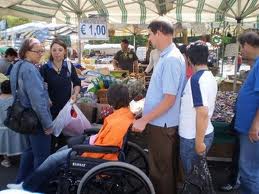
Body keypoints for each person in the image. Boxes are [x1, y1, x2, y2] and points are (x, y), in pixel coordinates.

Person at [7, 84, 134, 193]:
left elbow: (107, 148)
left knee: (53, 159)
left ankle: (26, 187)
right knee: (59, 153)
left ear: (114, 98)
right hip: (94, 144)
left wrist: (82, 153)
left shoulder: (119, 121)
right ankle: (37, 183)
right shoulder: (124, 113)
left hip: (94, 151)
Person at [132, 19, 186, 194]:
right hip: (161, 123)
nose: (149, 39)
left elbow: (169, 100)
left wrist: (144, 119)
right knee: (163, 169)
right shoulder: (166, 56)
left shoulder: (170, 59)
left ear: (159, 32)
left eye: (149, 34)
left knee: (161, 171)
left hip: (162, 125)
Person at [8, 38, 53, 184]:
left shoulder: (17, 65)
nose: (41, 53)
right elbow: (38, 102)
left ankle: (20, 182)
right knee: (42, 156)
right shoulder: (30, 69)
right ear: (27, 52)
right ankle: (36, 186)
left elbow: (20, 92)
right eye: (38, 51)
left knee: (29, 151)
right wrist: (47, 124)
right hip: (35, 118)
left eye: (42, 50)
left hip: (24, 116)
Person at [179, 41, 217, 175]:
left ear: (189, 59)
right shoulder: (210, 76)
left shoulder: (196, 80)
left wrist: (199, 142)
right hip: (201, 133)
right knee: (198, 175)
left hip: (193, 136)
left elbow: (202, 112)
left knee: (193, 177)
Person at [40, 39, 81, 152]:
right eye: (54, 50)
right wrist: (46, 98)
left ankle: (62, 165)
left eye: (60, 50)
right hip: (51, 110)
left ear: (64, 52)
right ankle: (50, 164)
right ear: (51, 52)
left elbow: (77, 83)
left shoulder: (68, 66)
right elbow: (41, 88)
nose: (57, 52)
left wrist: (75, 94)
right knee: (51, 140)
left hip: (66, 109)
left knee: (65, 140)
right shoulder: (45, 68)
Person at [234, 31, 259, 194]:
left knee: (248, 170)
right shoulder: (256, 64)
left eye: (242, 46)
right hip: (248, 126)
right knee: (249, 169)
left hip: (252, 128)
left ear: (249, 44)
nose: (241, 50)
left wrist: (255, 125)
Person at [0, 80, 28, 168]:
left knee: (4, 144)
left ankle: (6, 160)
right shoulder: (16, 99)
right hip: (16, 125)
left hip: (2, 127)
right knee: (22, 144)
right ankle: (22, 159)